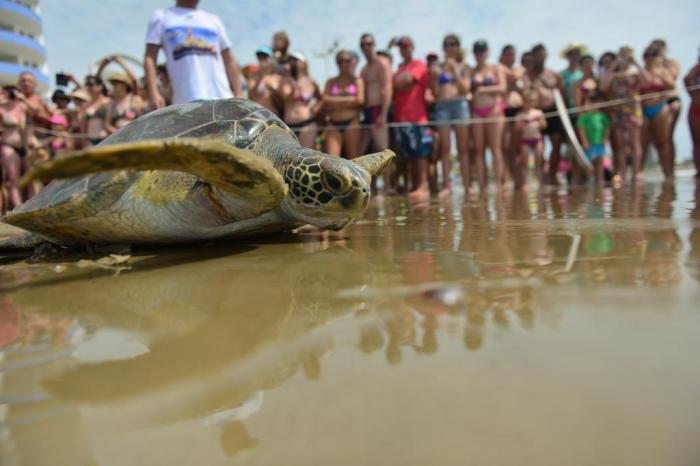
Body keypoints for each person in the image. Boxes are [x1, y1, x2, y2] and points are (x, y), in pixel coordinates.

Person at [144, 0, 242, 109]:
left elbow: (229, 60)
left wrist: (239, 92)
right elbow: (150, 57)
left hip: (222, 96)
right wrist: (153, 93)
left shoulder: (213, 20)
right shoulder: (161, 17)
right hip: (186, 100)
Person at [391, 36, 432, 199]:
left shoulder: (419, 64)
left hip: (418, 118)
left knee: (420, 154)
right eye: (401, 47)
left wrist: (400, 83)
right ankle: (414, 187)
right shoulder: (399, 68)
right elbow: (398, 84)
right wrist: (400, 83)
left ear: (412, 47)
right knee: (406, 156)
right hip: (400, 118)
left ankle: (422, 187)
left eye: (406, 46)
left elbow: (406, 81)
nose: (404, 49)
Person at [429, 34, 470, 195]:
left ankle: (467, 186)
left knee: (463, 148)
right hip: (443, 106)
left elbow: (465, 89)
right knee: (445, 148)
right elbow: (435, 93)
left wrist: (455, 71)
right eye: (448, 44)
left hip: (459, 104)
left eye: (454, 44)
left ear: (458, 47)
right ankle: (446, 186)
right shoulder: (438, 67)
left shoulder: (464, 66)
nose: (451, 47)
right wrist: (435, 77)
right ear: (444, 47)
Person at [599, 46, 643, 182]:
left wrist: (635, 61)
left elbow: (647, 81)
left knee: (634, 143)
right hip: (617, 111)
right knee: (620, 145)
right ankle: (623, 174)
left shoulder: (634, 71)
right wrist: (614, 66)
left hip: (633, 110)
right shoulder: (612, 74)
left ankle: (636, 173)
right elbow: (603, 87)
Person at [525, 44, 565, 185]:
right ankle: (542, 176)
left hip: (553, 110)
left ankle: (553, 175)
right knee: (539, 147)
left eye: (542, 54)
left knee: (556, 143)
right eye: (537, 55)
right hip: (537, 112)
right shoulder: (528, 75)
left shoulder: (553, 74)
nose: (539, 57)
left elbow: (561, 90)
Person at [359, 33, 394, 194]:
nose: (366, 47)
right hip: (366, 112)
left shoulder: (382, 63)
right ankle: (370, 188)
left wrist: (384, 114)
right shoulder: (364, 69)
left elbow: (387, 88)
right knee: (364, 151)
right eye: (363, 44)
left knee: (382, 150)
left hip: (378, 109)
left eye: (369, 44)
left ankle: (387, 187)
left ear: (374, 44)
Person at [470, 39, 506, 190]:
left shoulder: (496, 67)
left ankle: (499, 185)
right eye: (477, 51)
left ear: (488, 52)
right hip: (477, 111)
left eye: (483, 50)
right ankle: (482, 187)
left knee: (495, 148)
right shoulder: (472, 71)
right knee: (479, 150)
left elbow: (503, 87)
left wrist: (483, 90)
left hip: (493, 109)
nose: (480, 53)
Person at [639, 45, 675, 181]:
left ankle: (668, 174)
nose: (649, 58)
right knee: (643, 144)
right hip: (643, 110)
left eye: (652, 55)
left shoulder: (662, 71)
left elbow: (672, 86)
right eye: (646, 55)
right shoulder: (640, 72)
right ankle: (639, 174)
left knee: (663, 142)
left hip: (659, 108)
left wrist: (660, 75)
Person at [321, 50, 365, 158]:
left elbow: (360, 100)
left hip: (352, 123)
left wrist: (334, 101)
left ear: (351, 62)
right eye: (340, 61)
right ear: (337, 63)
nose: (343, 64)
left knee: (354, 160)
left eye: (347, 61)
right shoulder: (331, 81)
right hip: (333, 124)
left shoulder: (357, 80)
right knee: (332, 161)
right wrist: (350, 99)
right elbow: (325, 100)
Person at [278, 51, 321, 148]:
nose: (292, 62)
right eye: (290, 60)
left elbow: (321, 98)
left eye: (295, 60)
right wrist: (294, 84)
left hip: (307, 123)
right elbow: (287, 99)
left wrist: (316, 108)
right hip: (289, 125)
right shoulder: (284, 81)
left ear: (303, 63)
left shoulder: (311, 81)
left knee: (306, 156)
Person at [652, 39, 682, 165]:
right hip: (656, 103)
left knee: (668, 138)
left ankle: (671, 168)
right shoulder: (650, 66)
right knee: (659, 140)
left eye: (659, 48)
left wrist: (659, 67)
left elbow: (672, 79)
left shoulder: (671, 62)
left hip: (671, 101)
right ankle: (666, 167)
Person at [1, 85, 28, 208]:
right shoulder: (2, 109)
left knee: (29, 179)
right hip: (8, 145)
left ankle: (28, 207)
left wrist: (22, 99)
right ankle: (18, 208)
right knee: (13, 179)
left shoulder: (21, 107)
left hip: (24, 147)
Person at [514, 90, 546, 189]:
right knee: (525, 163)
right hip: (525, 140)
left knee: (539, 163)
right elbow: (517, 129)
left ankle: (541, 183)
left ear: (535, 102)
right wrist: (522, 123)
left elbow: (544, 126)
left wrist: (539, 121)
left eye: (531, 101)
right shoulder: (520, 114)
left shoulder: (538, 113)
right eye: (527, 101)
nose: (529, 104)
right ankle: (524, 184)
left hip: (537, 139)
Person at [576, 92, 610, 185]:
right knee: (588, 166)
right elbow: (581, 130)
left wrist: (605, 140)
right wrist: (585, 142)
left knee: (599, 163)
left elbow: (607, 128)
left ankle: (600, 181)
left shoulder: (603, 116)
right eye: (589, 103)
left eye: (593, 103)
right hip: (589, 146)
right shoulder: (584, 117)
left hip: (599, 145)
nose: (591, 105)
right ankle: (588, 180)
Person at [247, 47, 283, 115]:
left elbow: (282, 102)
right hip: (256, 117)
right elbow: (250, 97)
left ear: (271, 59)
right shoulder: (253, 77)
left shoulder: (277, 77)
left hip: (274, 117)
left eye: (265, 56)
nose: (262, 59)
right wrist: (260, 77)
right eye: (259, 57)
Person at [80, 75, 111, 146]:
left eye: (90, 84)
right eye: (86, 84)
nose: (88, 87)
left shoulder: (108, 102)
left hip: (107, 140)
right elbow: (83, 127)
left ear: (100, 86)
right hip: (91, 143)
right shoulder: (85, 106)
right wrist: (84, 143)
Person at [684, 50, 700, 177]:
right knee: (697, 142)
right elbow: (686, 79)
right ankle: (699, 171)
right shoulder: (695, 70)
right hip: (696, 108)